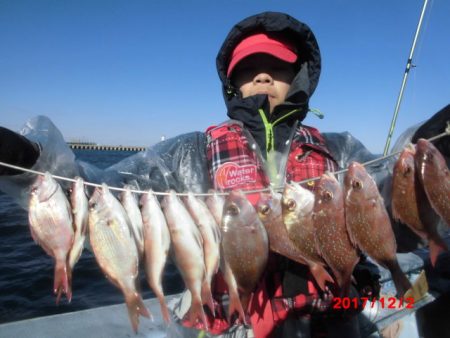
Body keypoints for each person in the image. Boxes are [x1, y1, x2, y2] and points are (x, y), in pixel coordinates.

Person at [0, 11, 448, 338]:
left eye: (278, 69)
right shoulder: (192, 151)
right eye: (249, 71)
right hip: (233, 323)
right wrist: (29, 163)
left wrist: (432, 159)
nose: (263, 78)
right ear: (233, 84)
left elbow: (393, 209)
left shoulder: (339, 150)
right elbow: (101, 194)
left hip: (333, 318)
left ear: (300, 79)